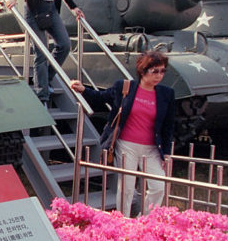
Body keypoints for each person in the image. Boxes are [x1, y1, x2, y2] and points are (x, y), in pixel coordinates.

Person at [69, 51, 175, 217]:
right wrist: (83, 89)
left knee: (159, 185)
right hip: (127, 145)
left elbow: (168, 126)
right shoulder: (125, 87)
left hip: (152, 148)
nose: (159, 75)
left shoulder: (166, 94)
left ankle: (146, 220)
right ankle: (123, 220)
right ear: (143, 70)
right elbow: (101, 97)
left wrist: (167, 153)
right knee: (126, 187)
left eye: (162, 71)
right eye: (155, 71)